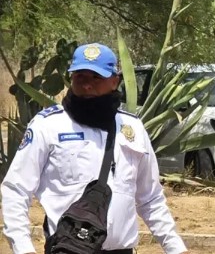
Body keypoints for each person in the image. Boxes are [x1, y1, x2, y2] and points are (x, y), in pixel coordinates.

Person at [1, 43, 189, 254]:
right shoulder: (48, 126)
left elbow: (150, 198)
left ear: (115, 81)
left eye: (96, 77)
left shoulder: (132, 129)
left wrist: (175, 247)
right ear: (71, 78)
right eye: (80, 76)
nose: (87, 85)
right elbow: (16, 190)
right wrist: (23, 248)